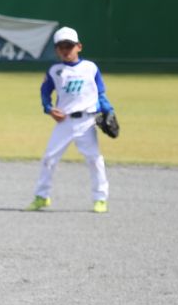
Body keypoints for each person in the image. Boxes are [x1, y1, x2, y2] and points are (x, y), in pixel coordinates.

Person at [26, 26, 115, 213]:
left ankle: (100, 199)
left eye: (69, 46)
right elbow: (44, 92)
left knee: (94, 159)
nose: (65, 50)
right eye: (61, 47)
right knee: (49, 158)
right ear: (57, 50)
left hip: (87, 121)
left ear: (78, 47)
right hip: (64, 122)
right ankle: (42, 197)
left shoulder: (90, 68)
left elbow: (100, 93)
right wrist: (49, 109)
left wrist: (109, 111)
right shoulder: (55, 70)